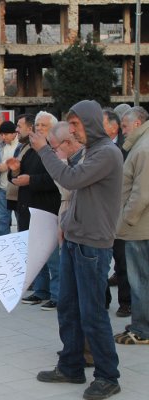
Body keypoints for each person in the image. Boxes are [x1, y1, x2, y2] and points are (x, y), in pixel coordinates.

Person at [33, 100, 122, 400]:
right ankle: (70, 365)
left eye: (76, 125)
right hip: (75, 240)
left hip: (92, 246)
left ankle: (108, 375)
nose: (71, 130)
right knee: (68, 307)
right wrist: (66, 223)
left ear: (91, 123)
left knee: (92, 312)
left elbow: (70, 179)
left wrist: (44, 149)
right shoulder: (91, 151)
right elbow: (77, 192)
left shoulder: (107, 153)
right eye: (69, 125)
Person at [9, 111, 61, 310]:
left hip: (47, 210)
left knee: (52, 256)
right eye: (37, 125)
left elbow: (56, 179)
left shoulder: (54, 151)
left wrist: (30, 180)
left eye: (43, 126)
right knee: (36, 254)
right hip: (29, 209)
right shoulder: (32, 150)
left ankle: (56, 294)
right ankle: (41, 290)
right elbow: (22, 176)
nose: (39, 129)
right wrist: (15, 170)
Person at [114, 106, 149, 345]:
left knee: (140, 280)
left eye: (125, 127)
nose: (122, 132)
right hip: (138, 224)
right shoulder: (140, 144)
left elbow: (142, 192)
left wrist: (126, 218)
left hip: (139, 226)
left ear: (137, 123)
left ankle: (142, 329)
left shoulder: (144, 148)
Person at [103, 108, 130, 318]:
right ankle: (103, 299)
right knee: (102, 259)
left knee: (122, 260)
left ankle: (126, 302)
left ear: (114, 127)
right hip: (102, 213)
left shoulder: (124, 149)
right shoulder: (96, 148)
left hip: (120, 212)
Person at [0, 121, 19, 237]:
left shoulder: (21, 146)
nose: (3, 137)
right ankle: (2, 247)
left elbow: (22, 162)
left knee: (22, 220)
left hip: (17, 189)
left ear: (14, 134)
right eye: (2, 134)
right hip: (2, 188)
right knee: (1, 220)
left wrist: (7, 166)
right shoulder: (1, 146)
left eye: (6, 134)